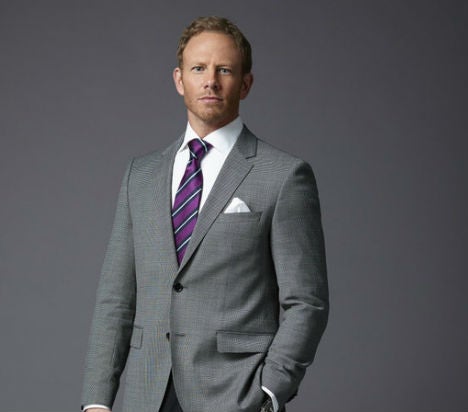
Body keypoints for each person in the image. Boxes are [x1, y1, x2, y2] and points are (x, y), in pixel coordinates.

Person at [81, 16, 329, 412]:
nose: (210, 81)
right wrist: (96, 401)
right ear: (179, 80)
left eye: (224, 70)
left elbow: (307, 302)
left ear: (245, 83)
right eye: (198, 68)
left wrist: (269, 391)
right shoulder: (140, 176)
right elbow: (115, 299)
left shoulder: (283, 176)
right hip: (147, 395)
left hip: (235, 395)